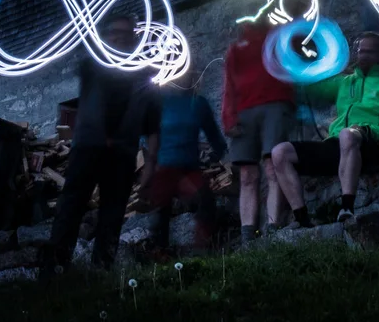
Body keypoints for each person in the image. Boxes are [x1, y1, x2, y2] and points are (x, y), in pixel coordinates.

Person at [42, 15, 162, 273]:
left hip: (121, 154)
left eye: (125, 34)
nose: (119, 38)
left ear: (134, 38)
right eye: (114, 33)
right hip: (89, 149)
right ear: (105, 37)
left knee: (113, 211)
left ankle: (102, 268)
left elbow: (153, 123)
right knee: (72, 205)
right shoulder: (93, 65)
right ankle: (57, 266)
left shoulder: (142, 76)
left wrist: (150, 163)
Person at [268, 31, 379, 223]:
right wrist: (289, 58)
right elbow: (308, 86)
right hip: (337, 144)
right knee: (279, 152)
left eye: (369, 52)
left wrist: (368, 130)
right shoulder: (345, 82)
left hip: (370, 147)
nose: (363, 56)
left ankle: (347, 208)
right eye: (360, 51)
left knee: (347, 135)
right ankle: (302, 219)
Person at [221, 17, 297, 240]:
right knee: (247, 174)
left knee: (273, 166)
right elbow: (229, 85)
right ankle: (248, 234)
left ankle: (273, 228)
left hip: (276, 103)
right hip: (245, 111)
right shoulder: (236, 47)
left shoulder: (280, 35)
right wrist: (228, 118)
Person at [147, 79, 227, 247]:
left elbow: (213, 134)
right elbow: (149, 134)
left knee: (206, 201)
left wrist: (218, 154)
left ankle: (202, 249)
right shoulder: (161, 102)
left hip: (188, 169)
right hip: (165, 168)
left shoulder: (198, 104)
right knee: (160, 209)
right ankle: (159, 254)